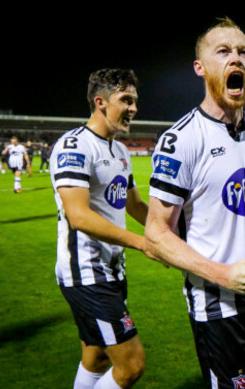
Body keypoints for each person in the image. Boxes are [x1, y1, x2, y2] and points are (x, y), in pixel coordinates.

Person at [144, 17, 245, 388]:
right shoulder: (181, 140)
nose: (235, 59)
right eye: (223, 52)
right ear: (201, 67)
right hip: (218, 310)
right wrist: (223, 275)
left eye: (243, 52)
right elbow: (156, 236)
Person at [50, 68, 154, 389]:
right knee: (132, 363)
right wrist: (142, 243)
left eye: (135, 100)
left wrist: (174, 230)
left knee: (96, 358)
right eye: (126, 100)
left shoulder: (120, 151)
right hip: (85, 274)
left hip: (112, 272)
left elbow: (134, 205)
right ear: (101, 102)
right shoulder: (74, 146)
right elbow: (78, 216)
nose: (134, 108)